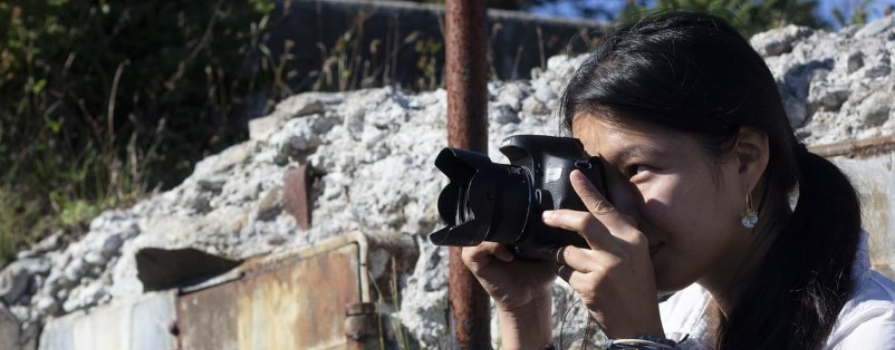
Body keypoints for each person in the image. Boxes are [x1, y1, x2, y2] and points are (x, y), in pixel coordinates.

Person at [461, 11, 895, 350]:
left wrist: (640, 339)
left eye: (637, 170)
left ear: (745, 159)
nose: (617, 211)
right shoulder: (685, 314)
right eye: (600, 177)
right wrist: (525, 312)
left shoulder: (871, 331)